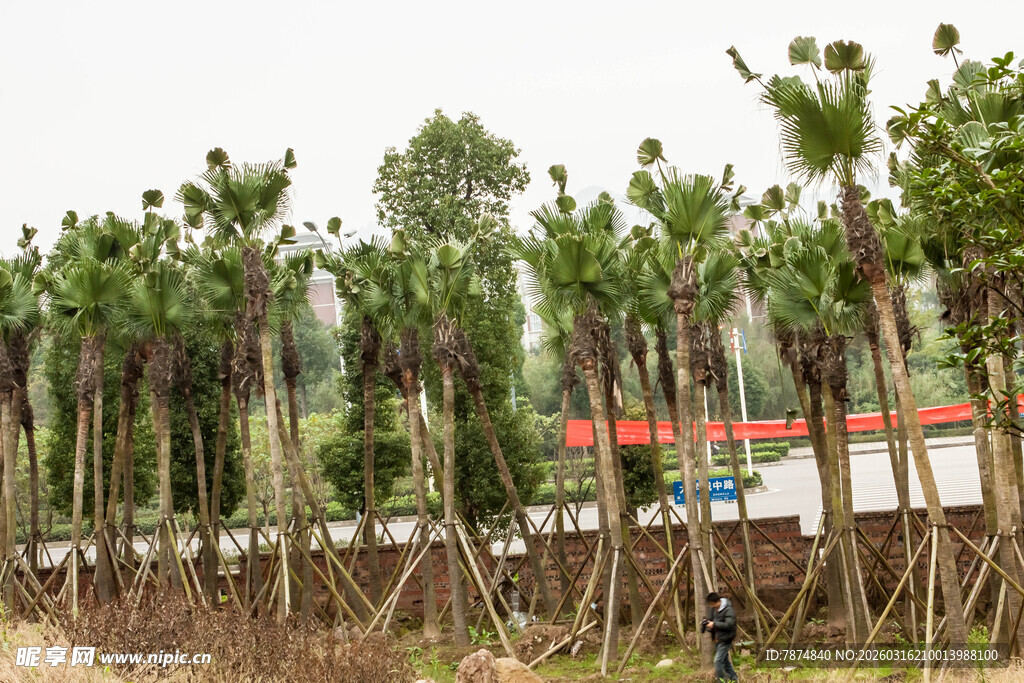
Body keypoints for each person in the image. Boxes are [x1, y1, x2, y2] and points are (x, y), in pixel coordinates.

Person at [702, 591, 737, 681]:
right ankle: (734, 679)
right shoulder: (714, 609)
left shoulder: (728, 609)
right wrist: (706, 622)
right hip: (718, 639)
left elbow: (729, 624)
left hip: (726, 638)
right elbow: (712, 620)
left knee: (717, 661)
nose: (711, 606)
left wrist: (714, 625)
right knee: (725, 662)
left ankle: (721, 681)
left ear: (715, 602)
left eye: (711, 604)